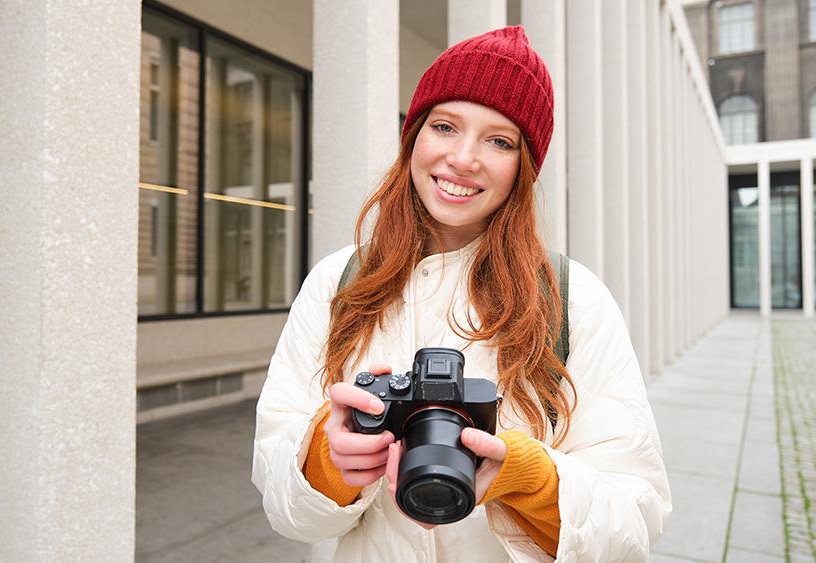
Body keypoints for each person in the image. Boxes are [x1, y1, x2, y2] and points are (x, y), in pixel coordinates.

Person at [252, 26, 670, 562]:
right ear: (414, 136)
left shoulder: (572, 300)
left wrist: (526, 477)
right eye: (445, 126)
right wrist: (326, 461)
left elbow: (635, 521)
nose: (464, 158)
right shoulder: (340, 282)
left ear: (525, 167)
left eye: (500, 141)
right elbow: (280, 494)